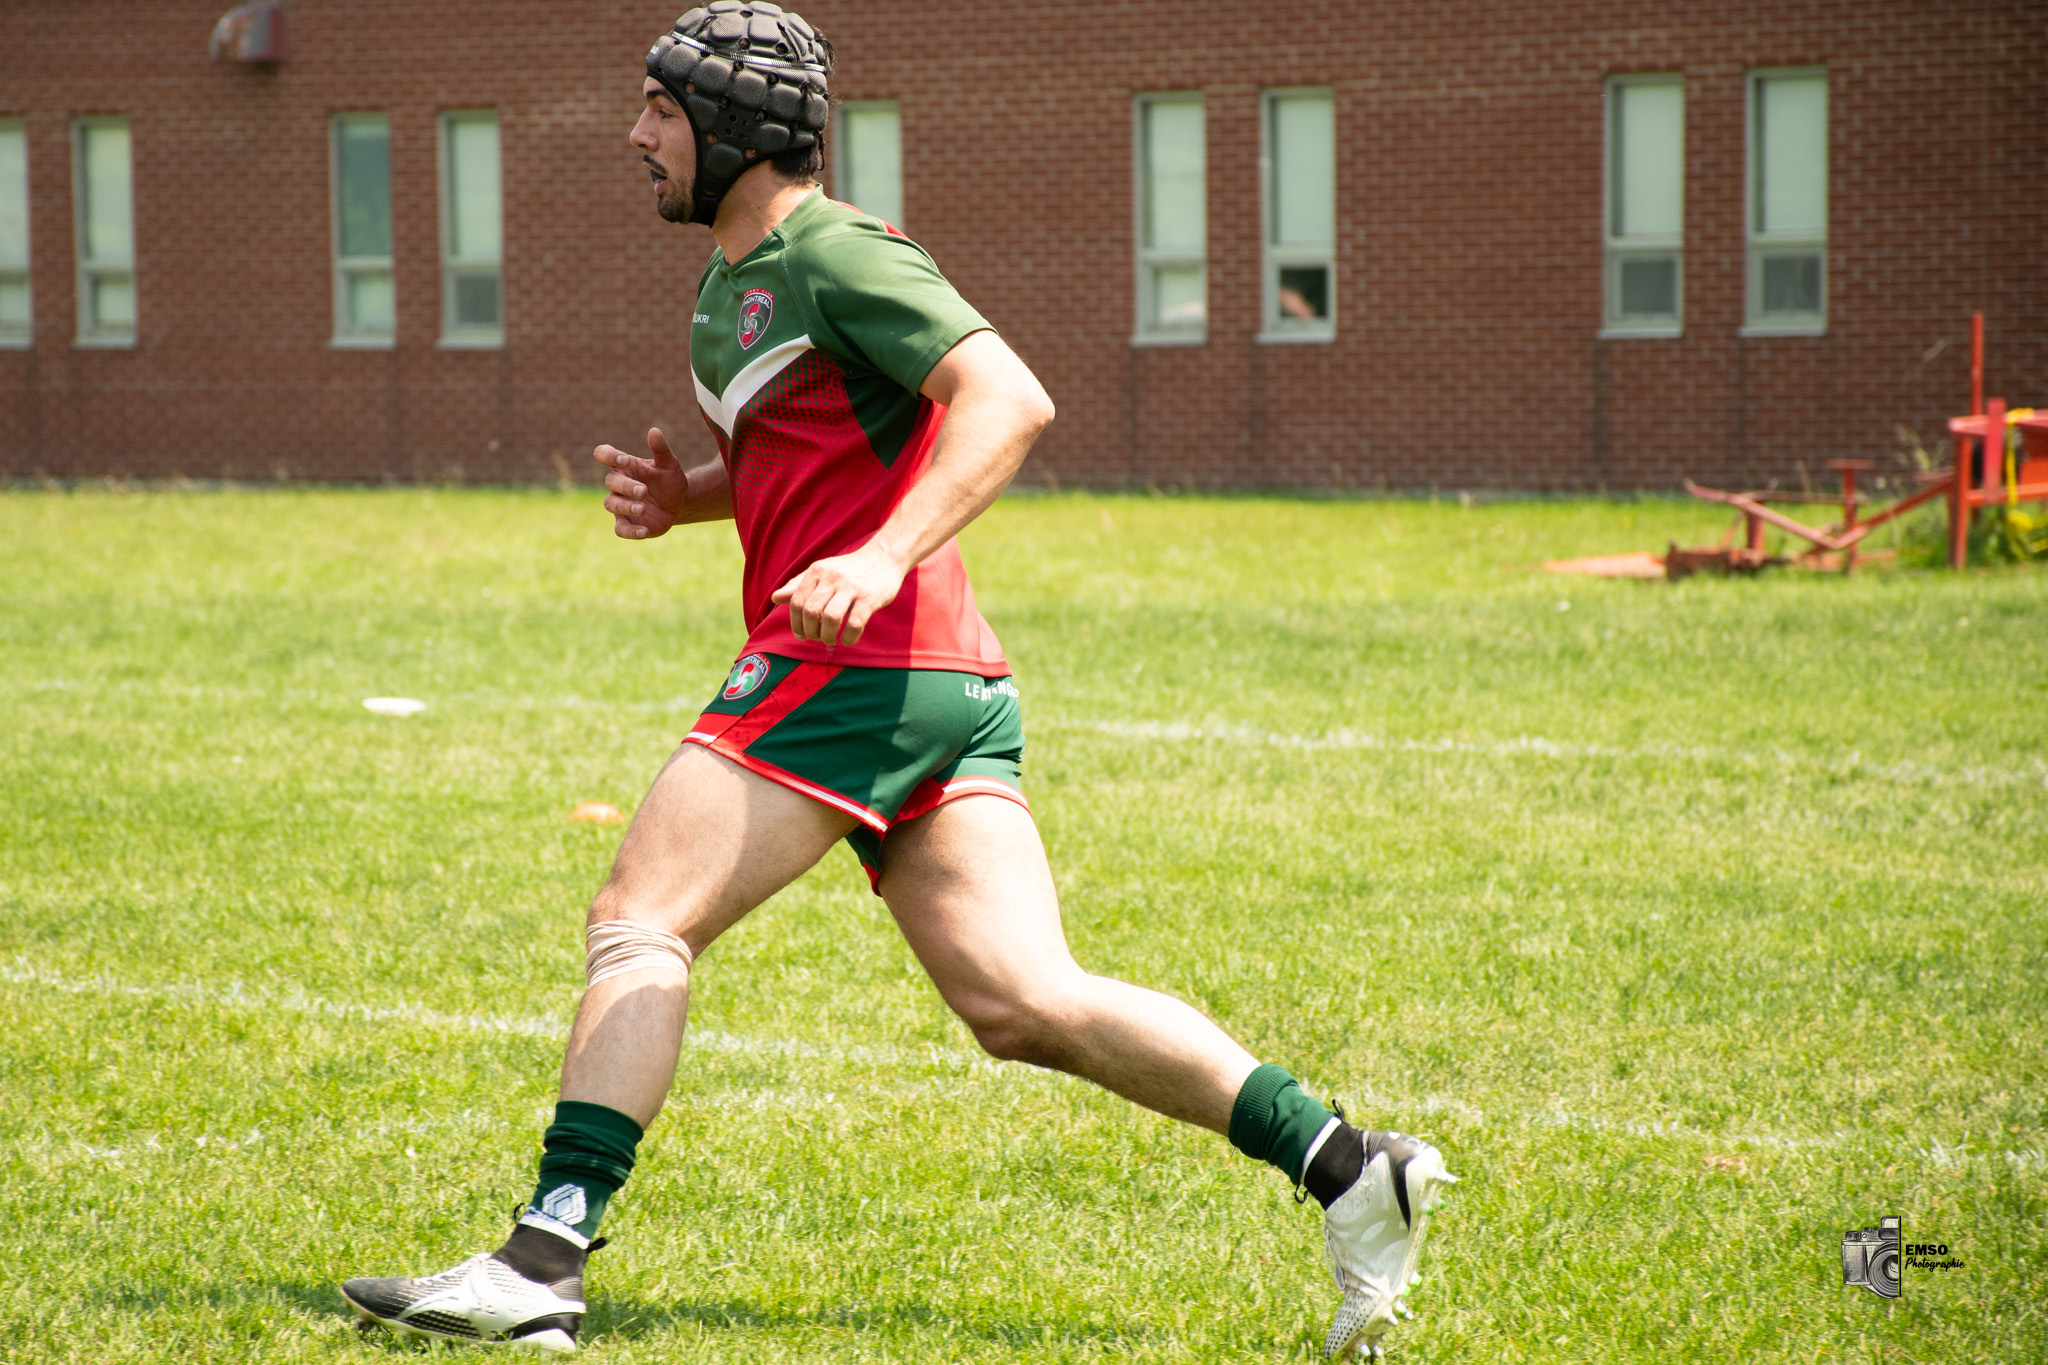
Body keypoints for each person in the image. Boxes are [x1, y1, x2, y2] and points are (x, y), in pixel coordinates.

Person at [339, 4, 1455, 1358]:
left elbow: (1009, 397)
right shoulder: (739, 275)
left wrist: (876, 557)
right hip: (937, 674)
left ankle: (542, 1256)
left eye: (659, 111)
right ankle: (1349, 1166)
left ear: (736, 128)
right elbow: (827, 444)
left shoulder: (837, 249)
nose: (634, 136)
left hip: (862, 659)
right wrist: (693, 498)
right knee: (1023, 1000)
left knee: (641, 915)